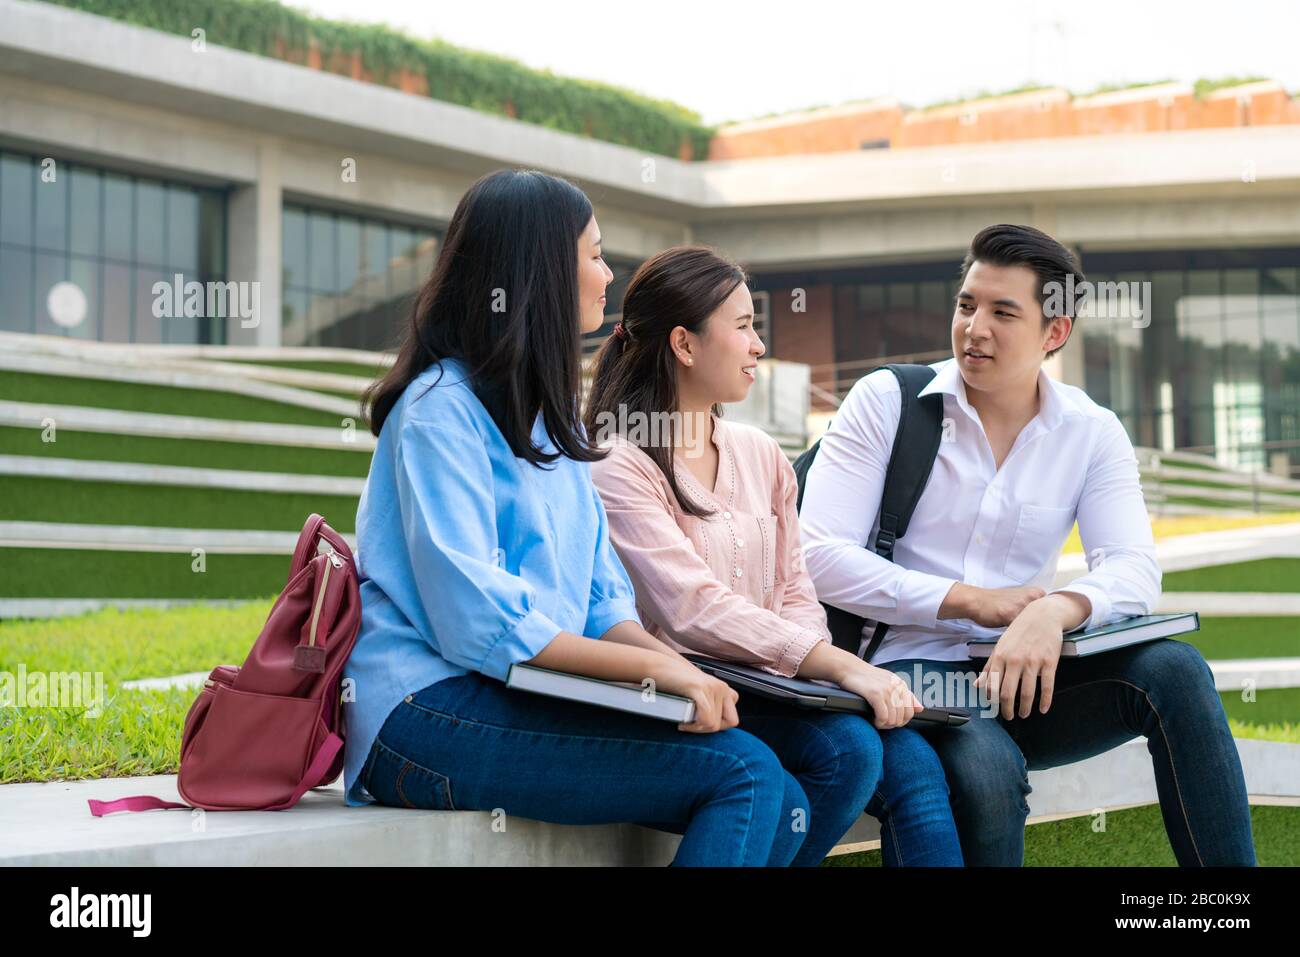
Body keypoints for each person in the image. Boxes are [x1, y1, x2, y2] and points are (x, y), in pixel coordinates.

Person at [343, 168, 823, 866]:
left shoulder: (552, 416)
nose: (607, 274)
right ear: (539, 269)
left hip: (510, 690)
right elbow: (482, 623)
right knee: (744, 773)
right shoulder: (437, 410)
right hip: (421, 714)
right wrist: (662, 677)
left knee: (787, 797)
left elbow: (602, 604)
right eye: (594, 253)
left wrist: (675, 669)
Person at [798, 223, 1256, 866]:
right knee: (987, 773)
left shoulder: (1091, 431)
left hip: (1029, 678)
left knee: (1176, 671)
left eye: (1002, 312)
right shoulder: (888, 402)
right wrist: (968, 601)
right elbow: (817, 555)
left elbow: (1133, 566)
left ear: (1055, 332)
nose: (973, 328)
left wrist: (1056, 609)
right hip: (905, 672)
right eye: (966, 305)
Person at [585, 245, 963, 866]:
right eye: (742, 327)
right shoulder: (619, 465)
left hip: (769, 686)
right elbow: (689, 608)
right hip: (678, 696)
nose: (758, 345)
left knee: (882, 756)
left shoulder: (760, 453)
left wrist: (809, 672)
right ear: (684, 344)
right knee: (838, 756)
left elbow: (796, 588)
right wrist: (839, 668)